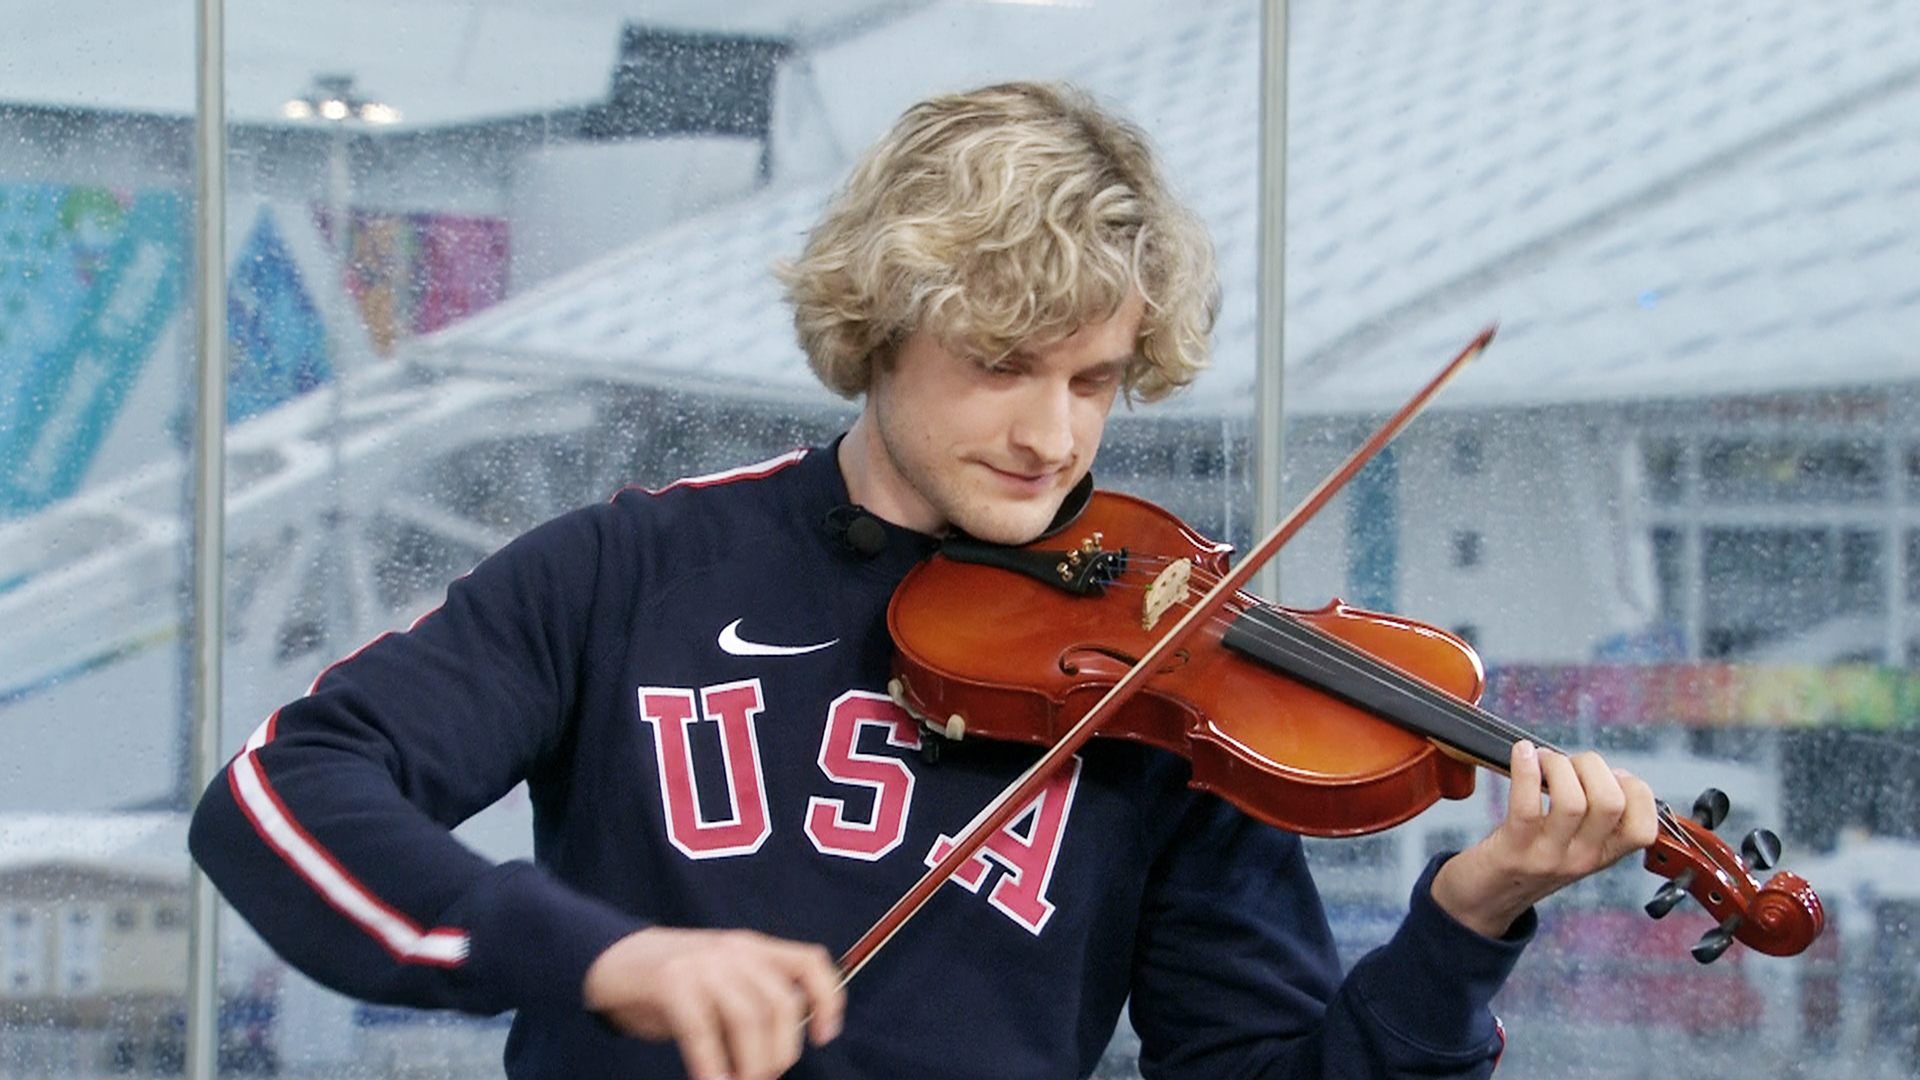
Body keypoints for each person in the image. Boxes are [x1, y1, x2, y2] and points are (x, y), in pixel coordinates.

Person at [189, 81, 1658, 1080]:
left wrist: (1464, 927)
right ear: (881, 325)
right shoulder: (634, 568)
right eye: (1003, 365)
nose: (1053, 435)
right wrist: (603, 955)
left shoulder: (1176, 675)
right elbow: (284, 795)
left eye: (1096, 379)